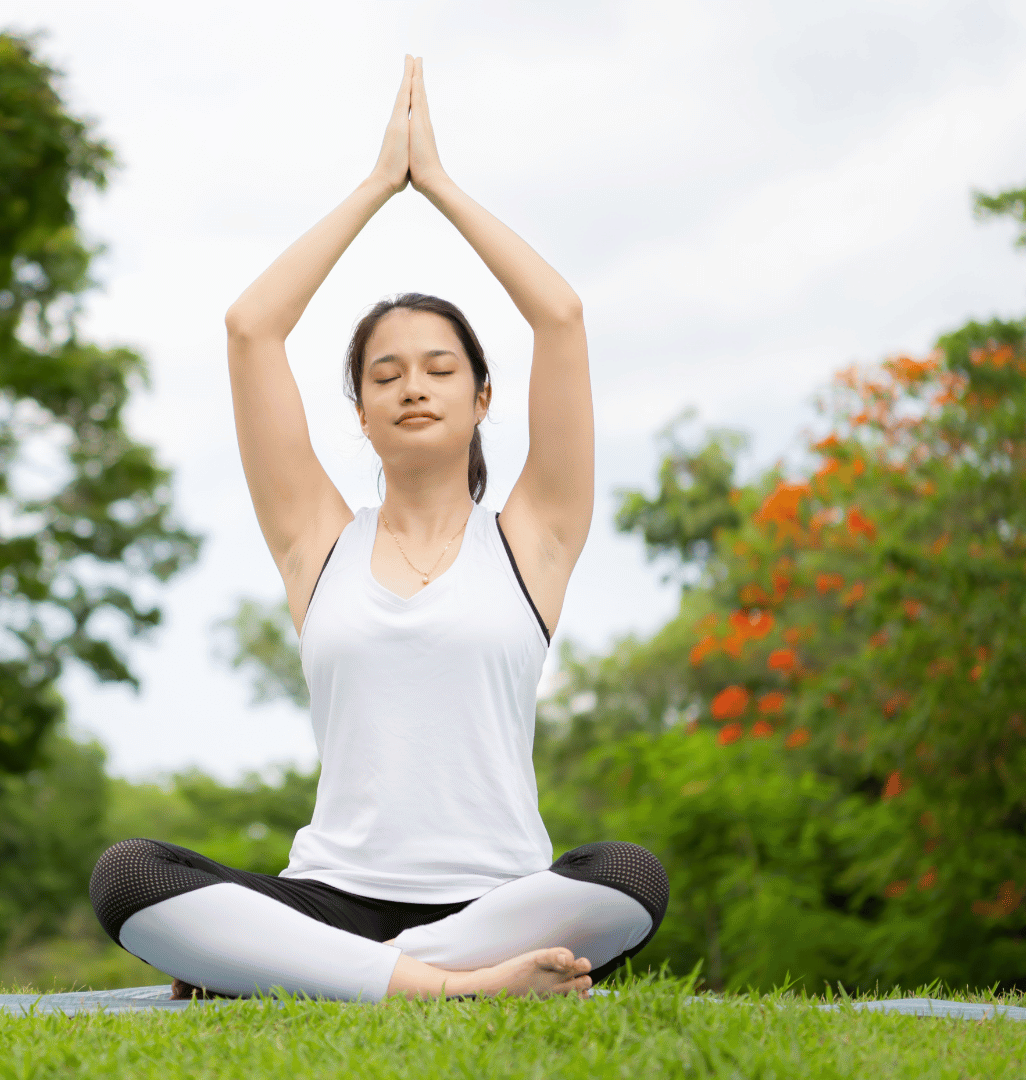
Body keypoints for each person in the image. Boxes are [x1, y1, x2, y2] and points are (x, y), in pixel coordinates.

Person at [88, 56, 668, 1002]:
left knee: (630, 876)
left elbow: (560, 317)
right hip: (332, 897)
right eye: (386, 374)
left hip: (502, 895)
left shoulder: (532, 542)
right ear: (358, 410)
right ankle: (451, 987)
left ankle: (312, 979)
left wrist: (435, 184)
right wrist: (373, 187)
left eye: (439, 368)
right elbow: (249, 328)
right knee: (131, 875)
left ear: (483, 398)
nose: (412, 386)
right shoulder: (317, 542)